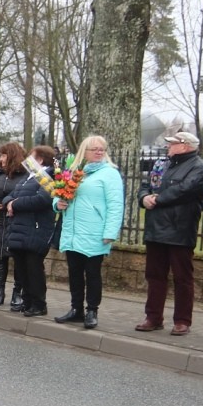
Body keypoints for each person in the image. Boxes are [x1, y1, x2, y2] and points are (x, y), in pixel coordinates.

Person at [135, 130, 203, 336]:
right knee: (155, 275)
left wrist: (157, 199)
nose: (168, 146)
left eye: (172, 143)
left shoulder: (199, 167)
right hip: (155, 228)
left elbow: (185, 190)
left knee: (182, 277)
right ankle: (153, 317)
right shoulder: (161, 164)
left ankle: (182, 320)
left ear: (185, 145)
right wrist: (144, 198)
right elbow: (144, 185)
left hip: (180, 229)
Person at [54, 135, 124, 329]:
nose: (99, 152)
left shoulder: (110, 174)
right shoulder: (76, 171)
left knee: (92, 273)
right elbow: (60, 195)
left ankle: (92, 310)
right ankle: (76, 308)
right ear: (84, 152)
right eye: (95, 149)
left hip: (95, 232)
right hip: (73, 231)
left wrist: (110, 231)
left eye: (102, 149)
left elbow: (116, 205)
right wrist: (56, 204)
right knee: (74, 272)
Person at [4, 146, 56, 317]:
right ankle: (27, 301)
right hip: (20, 229)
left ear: (40, 160)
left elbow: (43, 199)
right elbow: (11, 195)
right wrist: (9, 202)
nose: (27, 161)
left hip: (35, 229)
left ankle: (38, 303)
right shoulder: (29, 178)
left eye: (31, 157)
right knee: (22, 268)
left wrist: (15, 204)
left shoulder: (48, 176)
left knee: (33, 268)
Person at [0, 142, 28, 307]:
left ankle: (17, 293)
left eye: (4, 155)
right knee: (0, 256)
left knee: (17, 257)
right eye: (0, 155)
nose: (1, 158)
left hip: (15, 219)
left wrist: (12, 203)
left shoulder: (23, 175)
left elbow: (24, 194)